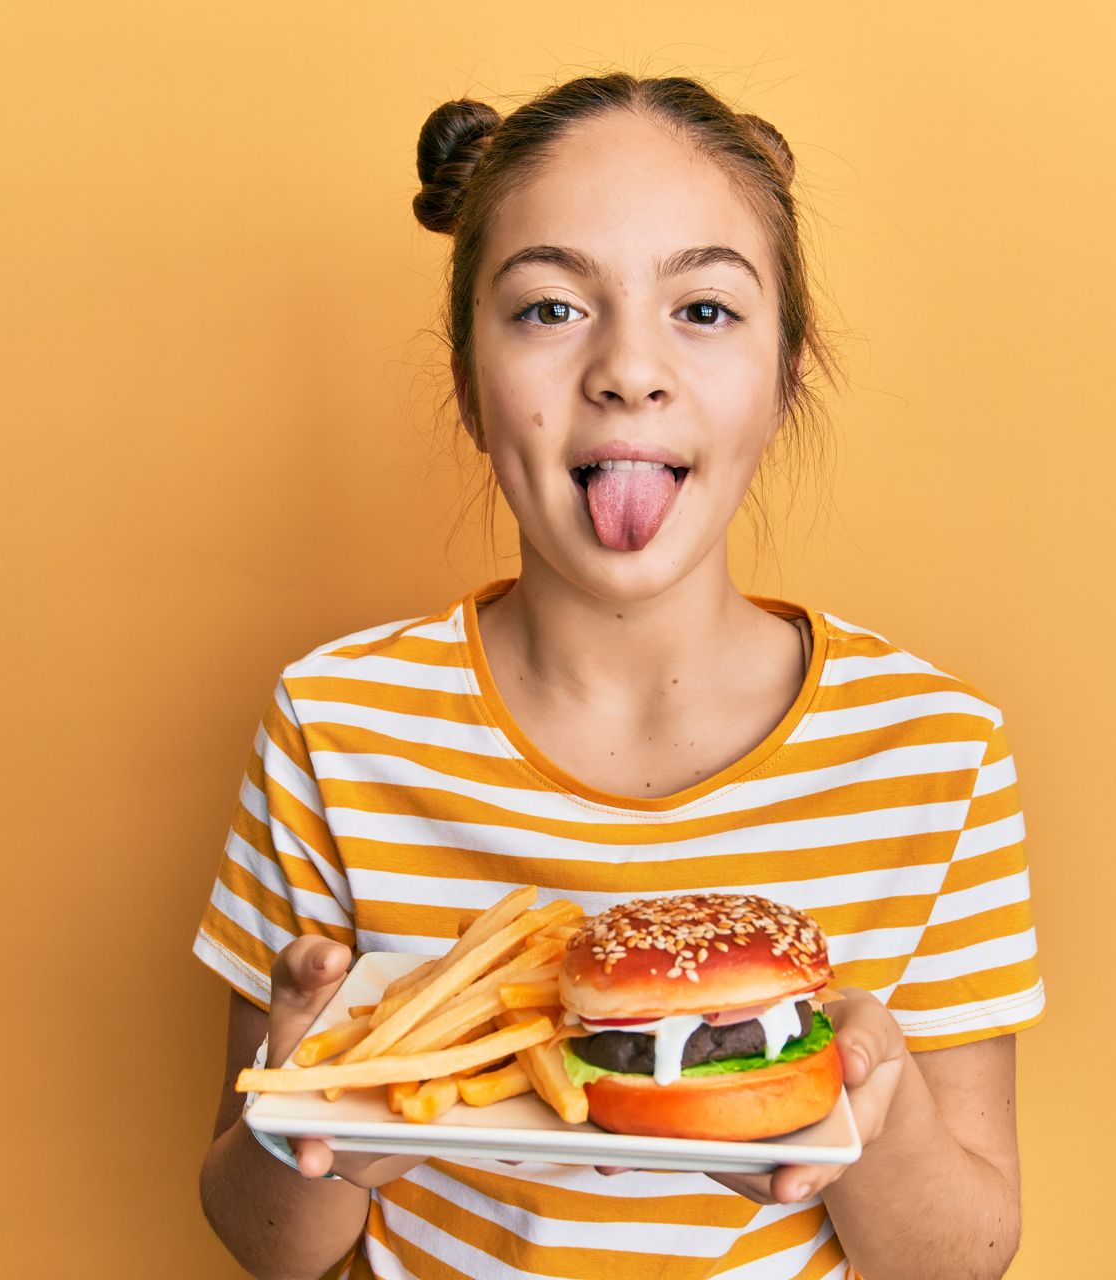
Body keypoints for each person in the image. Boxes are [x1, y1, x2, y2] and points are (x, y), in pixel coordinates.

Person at [195, 72, 1045, 1280]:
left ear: (786, 376)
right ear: (468, 381)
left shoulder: (934, 752)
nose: (627, 369)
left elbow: (965, 1257)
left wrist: (873, 1100)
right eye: (548, 309)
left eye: (703, 309)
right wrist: (313, 1115)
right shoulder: (334, 723)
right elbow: (264, 1244)